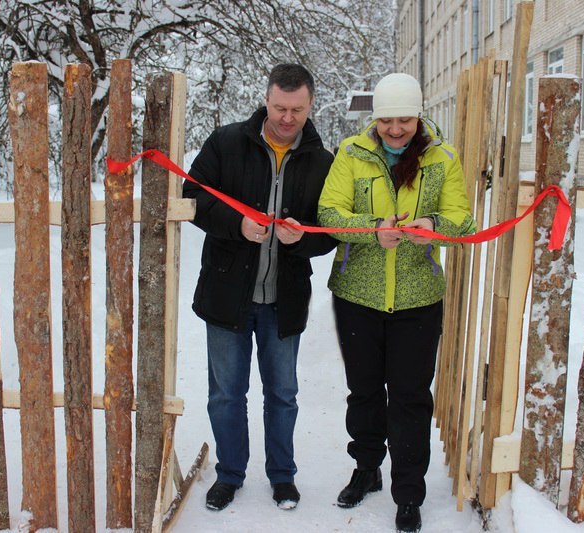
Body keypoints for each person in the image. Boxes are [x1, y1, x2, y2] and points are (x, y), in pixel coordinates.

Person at [317, 73, 475, 533]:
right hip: (357, 297)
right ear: (376, 118)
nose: (396, 129)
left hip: (417, 299)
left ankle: (409, 493)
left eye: (405, 119)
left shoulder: (441, 157)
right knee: (364, 390)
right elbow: (330, 214)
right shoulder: (351, 153)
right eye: (387, 120)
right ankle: (366, 470)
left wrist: (431, 223)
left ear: (419, 115)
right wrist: (372, 229)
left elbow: (462, 220)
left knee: (409, 397)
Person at [183, 63, 336, 512]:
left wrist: (303, 238)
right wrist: (236, 225)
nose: (287, 118)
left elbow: (332, 230)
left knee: (283, 394)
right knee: (226, 394)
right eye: (279, 107)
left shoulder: (323, 161)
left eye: (297, 109)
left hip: (283, 299)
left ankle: (282, 476)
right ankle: (230, 474)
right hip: (228, 293)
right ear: (265, 100)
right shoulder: (227, 143)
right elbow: (192, 196)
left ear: (310, 106)